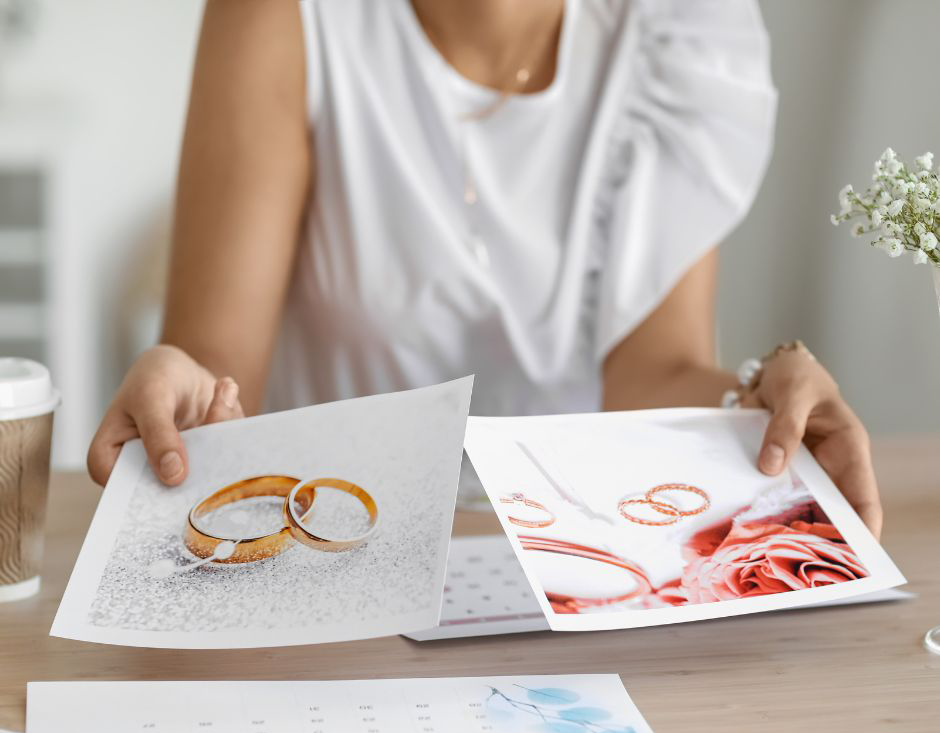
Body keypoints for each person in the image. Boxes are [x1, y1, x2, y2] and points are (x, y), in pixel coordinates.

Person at [86, 0, 882, 537]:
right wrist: (180, 391)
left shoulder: (681, 32)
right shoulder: (285, 18)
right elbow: (219, 386)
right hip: (331, 549)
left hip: (581, 558)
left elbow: (652, 369)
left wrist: (760, 405)